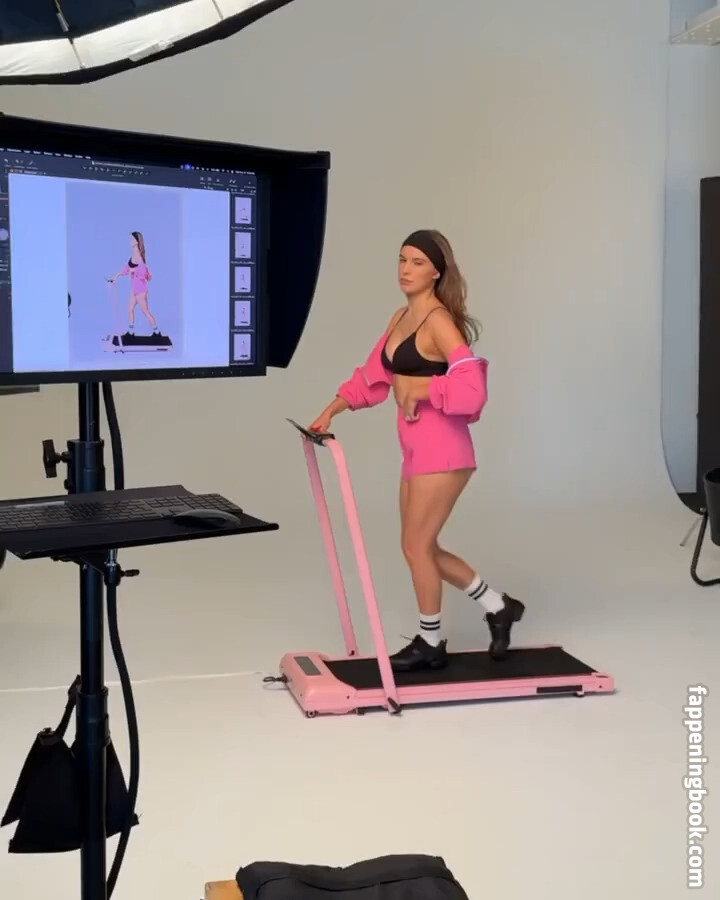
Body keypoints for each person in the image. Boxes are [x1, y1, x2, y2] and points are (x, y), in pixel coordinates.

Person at [308, 229, 524, 673]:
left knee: (416, 545)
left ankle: (430, 641)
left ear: (437, 272)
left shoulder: (439, 322)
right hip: (414, 449)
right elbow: (372, 377)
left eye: (417, 262)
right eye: (402, 260)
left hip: (444, 449)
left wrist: (423, 388)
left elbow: (473, 388)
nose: (406, 270)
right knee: (418, 548)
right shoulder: (400, 317)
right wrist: (332, 410)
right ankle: (499, 606)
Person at [106, 232, 159, 335]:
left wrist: (133, 271)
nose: (130, 241)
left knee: (145, 311)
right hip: (134, 289)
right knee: (130, 309)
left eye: (132, 239)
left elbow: (143, 273)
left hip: (141, 290)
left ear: (137, 241)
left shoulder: (139, 256)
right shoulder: (133, 254)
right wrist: (115, 277)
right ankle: (130, 332)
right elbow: (126, 268)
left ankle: (157, 332)